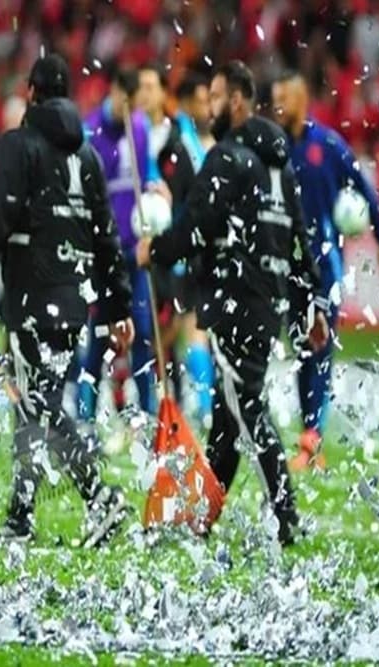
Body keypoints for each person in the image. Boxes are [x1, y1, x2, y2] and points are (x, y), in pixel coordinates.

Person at [136, 61, 329, 544]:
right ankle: (201, 515)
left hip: (235, 301)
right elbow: (299, 243)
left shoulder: (227, 158)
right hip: (268, 303)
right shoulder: (282, 168)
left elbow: (195, 224)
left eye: (217, 96)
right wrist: (312, 304)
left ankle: (286, 520)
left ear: (239, 100)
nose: (210, 106)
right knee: (226, 422)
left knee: (245, 408)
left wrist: (154, 249)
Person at [0, 54, 134, 546]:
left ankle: (99, 498)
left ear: (31, 92)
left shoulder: (19, 146)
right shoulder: (88, 155)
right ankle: (20, 516)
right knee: (34, 405)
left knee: (42, 404)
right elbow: (107, 238)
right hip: (74, 299)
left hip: (31, 295)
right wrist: (117, 307)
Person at [271, 71, 379, 472]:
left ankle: (312, 438)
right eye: (274, 99)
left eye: (283, 98)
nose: (278, 106)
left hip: (324, 264)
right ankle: (311, 435)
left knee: (320, 347)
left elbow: (363, 185)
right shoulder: (273, 147)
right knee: (303, 349)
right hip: (287, 266)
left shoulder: (327, 145)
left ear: (301, 98)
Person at [78, 68, 164, 422]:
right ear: (113, 92)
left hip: (134, 250)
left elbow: (149, 175)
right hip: (103, 254)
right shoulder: (91, 132)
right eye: (123, 101)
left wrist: (157, 187)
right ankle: (85, 417)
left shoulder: (140, 127)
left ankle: (148, 413)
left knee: (143, 333)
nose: (127, 109)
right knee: (100, 337)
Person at [137, 64, 214, 428]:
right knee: (149, 331)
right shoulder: (133, 138)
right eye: (141, 87)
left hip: (174, 253)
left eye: (152, 86)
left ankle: (196, 404)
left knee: (175, 330)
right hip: (139, 249)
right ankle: (162, 403)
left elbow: (189, 195)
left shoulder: (176, 141)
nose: (146, 93)